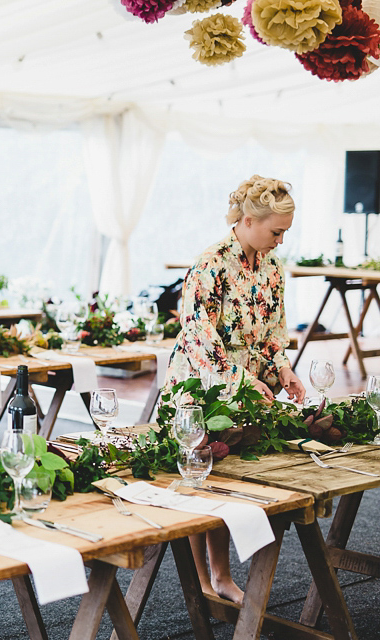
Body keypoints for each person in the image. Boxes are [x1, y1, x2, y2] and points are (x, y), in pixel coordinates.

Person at [163, 174, 307, 603]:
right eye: (276, 232)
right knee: (201, 479)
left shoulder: (272, 266)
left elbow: (274, 330)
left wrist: (284, 369)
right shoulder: (210, 264)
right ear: (247, 220)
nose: (281, 241)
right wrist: (242, 381)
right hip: (201, 386)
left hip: (246, 388)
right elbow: (197, 334)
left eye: (285, 233)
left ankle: (222, 577)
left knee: (230, 480)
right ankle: (203, 583)